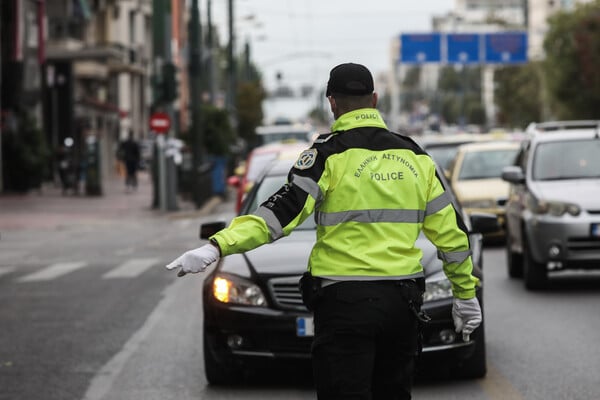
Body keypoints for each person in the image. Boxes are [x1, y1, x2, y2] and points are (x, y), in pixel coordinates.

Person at [166, 63, 482, 399]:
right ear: (374, 99)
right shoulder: (415, 156)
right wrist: (465, 294)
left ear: (332, 102)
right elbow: (452, 237)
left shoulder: (326, 155)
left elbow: (277, 216)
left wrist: (216, 247)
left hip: (344, 305)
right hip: (401, 305)